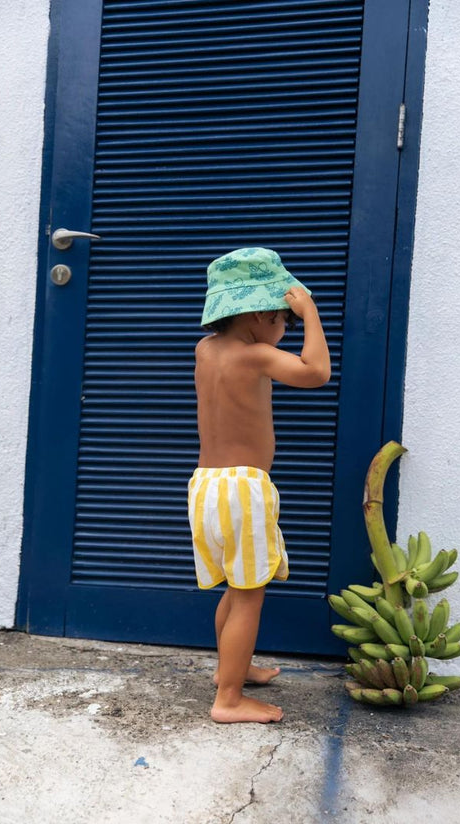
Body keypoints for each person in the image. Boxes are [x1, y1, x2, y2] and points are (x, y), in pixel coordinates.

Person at [187, 247, 331, 723]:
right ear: (255, 315)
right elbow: (315, 372)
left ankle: (234, 668)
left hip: (205, 485)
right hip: (243, 489)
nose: (287, 329)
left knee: (235, 583)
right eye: (283, 320)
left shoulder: (205, 350)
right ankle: (228, 699)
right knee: (250, 592)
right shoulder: (257, 356)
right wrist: (310, 312)